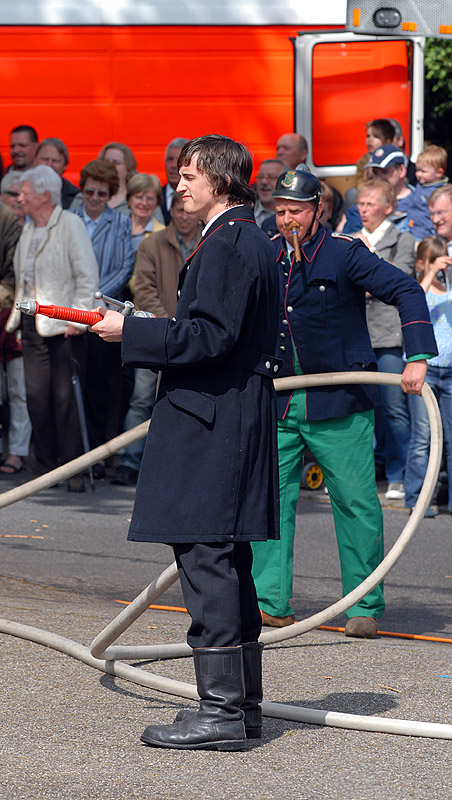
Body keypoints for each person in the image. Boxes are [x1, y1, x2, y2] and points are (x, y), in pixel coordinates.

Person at [91, 134, 281, 751]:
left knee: (206, 561)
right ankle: (241, 709)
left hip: (212, 421)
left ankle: (221, 714)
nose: (179, 184)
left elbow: (210, 337)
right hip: (230, 416)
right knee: (227, 562)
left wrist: (135, 333)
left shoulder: (229, 243)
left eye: (190, 175)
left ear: (222, 179)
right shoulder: (250, 239)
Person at [250, 168, 437, 638]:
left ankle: (364, 605)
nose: (287, 218)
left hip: (340, 401)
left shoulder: (344, 253)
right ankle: (270, 602)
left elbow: (407, 290)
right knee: (270, 503)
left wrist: (416, 357)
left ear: (319, 209)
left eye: (295, 209)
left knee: (355, 504)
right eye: (280, 209)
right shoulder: (266, 254)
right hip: (278, 401)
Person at [6, 165, 99, 488]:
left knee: (66, 401)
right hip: (32, 324)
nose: (19, 198)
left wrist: (80, 317)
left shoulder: (70, 224)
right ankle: (45, 469)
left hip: (64, 325)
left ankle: (71, 470)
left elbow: (86, 275)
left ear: (44, 195)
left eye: (24, 193)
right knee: (36, 398)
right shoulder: (29, 228)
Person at [111, 190, 202, 486]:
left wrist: (185, 328)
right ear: (171, 212)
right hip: (154, 332)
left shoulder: (209, 242)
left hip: (193, 337)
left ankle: (177, 465)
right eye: (179, 211)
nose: (185, 216)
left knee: (188, 402)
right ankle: (130, 460)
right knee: (141, 398)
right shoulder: (152, 244)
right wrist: (167, 325)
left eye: (188, 211)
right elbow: (144, 289)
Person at [70, 159, 135, 464]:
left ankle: (97, 452)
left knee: (100, 386)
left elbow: (124, 268)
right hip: (68, 311)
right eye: (89, 192)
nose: (94, 198)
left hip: (102, 311)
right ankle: (71, 453)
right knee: (70, 386)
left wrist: (93, 296)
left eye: (101, 194)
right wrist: (76, 298)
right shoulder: (69, 218)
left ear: (110, 195)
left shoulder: (121, 222)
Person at [355, 179, 415, 500]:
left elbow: (398, 279)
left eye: (370, 205)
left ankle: (398, 474)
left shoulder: (403, 240)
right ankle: (374, 470)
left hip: (390, 335)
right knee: (368, 408)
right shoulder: (352, 240)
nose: (363, 210)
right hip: (361, 333)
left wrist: (368, 259)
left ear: (388, 208)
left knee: (394, 409)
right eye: (360, 204)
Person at [404, 237, 452, 517]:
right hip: (427, 371)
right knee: (423, 436)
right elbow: (414, 302)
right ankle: (415, 498)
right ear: (422, 264)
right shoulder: (417, 288)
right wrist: (431, 273)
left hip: (450, 371)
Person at [0, 200, 31, 475]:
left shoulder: (9, 221)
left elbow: (14, 277)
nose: (16, 201)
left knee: (17, 390)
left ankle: (17, 451)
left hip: (12, 315)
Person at [343, 145, 414, 235]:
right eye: (375, 173)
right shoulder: (364, 200)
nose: (379, 178)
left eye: (385, 172)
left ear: (401, 170)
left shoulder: (419, 201)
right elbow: (349, 235)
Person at [405, 145, 448, 241]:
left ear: (439, 173)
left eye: (423, 171)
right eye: (417, 170)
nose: (418, 174)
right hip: (411, 228)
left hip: (425, 234)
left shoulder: (439, 193)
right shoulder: (421, 185)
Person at [35, 137, 79, 209]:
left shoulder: (74, 195)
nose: (49, 165)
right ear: (35, 161)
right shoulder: (22, 189)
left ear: (65, 165)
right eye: (45, 159)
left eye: (55, 161)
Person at [98, 142, 138, 214]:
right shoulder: (86, 196)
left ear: (128, 167)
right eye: (106, 162)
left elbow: (158, 224)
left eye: (116, 162)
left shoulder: (141, 198)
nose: (110, 166)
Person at [159, 137, 189, 225]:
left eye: (179, 160)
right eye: (170, 159)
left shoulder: (199, 198)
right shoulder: (154, 197)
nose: (173, 165)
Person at [254, 158, 285, 228]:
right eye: (260, 177)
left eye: (272, 177)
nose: (264, 182)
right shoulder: (247, 212)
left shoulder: (292, 215)